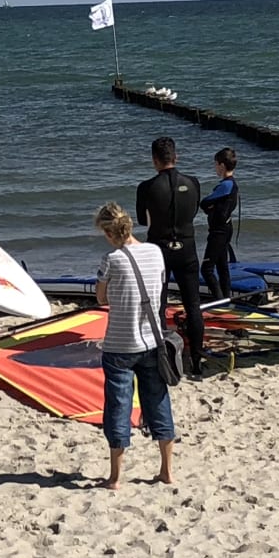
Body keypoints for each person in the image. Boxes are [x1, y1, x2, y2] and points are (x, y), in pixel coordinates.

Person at [92, 201, 177, 490]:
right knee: (158, 401)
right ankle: (167, 470)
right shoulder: (155, 252)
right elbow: (159, 286)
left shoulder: (111, 259)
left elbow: (101, 298)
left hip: (120, 344)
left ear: (108, 232)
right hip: (152, 340)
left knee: (118, 407)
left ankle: (115, 477)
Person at [136, 136, 205, 376]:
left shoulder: (146, 187)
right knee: (193, 305)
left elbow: (142, 220)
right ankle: (197, 361)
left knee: (159, 304)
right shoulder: (193, 182)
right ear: (176, 157)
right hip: (187, 247)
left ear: (154, 160)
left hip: (159, 250)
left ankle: (162, 357)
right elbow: (193, 211)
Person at [200, 147, 240, 299]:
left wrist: (211, 207)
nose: (214, 167)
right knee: (222, 266)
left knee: (206, 269)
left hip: (219, 231)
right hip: (225, 228)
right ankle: (225, 299)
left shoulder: (226, 185)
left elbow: (204, 203)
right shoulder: (229, 184)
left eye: (215, 164)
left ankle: (219, 299)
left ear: (222, 165)